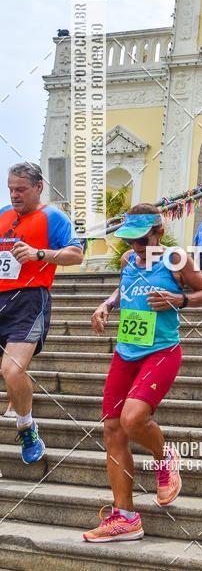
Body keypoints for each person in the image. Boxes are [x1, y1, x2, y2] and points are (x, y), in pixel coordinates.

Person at [83, 203, 202, 543]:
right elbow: (124, 289)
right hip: (126, 352)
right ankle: (125, 517)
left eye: (142, 239)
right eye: (131, 240)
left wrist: (178, 299)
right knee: (112, 429)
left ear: (158, 232)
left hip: (161, 351)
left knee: (132, 418)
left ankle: (164, 456)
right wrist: (106, 305)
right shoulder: (128, 261)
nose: (136, 247)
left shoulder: (175, 259)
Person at [0, 161, 83, 463]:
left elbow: (76, 254)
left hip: (29, 300)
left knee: (11, 369)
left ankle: (26, 427)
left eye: (20, 189)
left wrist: (39, 254)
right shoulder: (3, 216)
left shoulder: (53, 217)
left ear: (38, 187)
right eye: (10, 189)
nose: (14, 195)